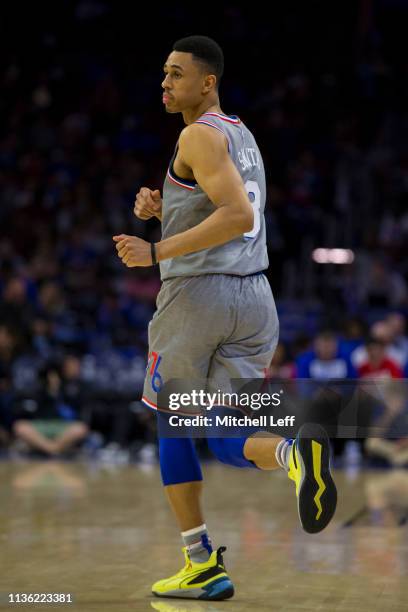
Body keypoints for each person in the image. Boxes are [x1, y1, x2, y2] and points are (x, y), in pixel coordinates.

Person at [113, 35, 337, 601]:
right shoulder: (240, 134)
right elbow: (228, 206)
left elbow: (236, 215)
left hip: (198, 300)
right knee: (225, 432)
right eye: (162, 74)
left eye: (175, 74)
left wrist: (155, 250)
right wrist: (167, 207)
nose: (164, 83)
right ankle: (292, 454)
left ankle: (200, 563)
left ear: (207, 81)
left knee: (173, 422)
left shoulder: (195, 133)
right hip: (255, 299)